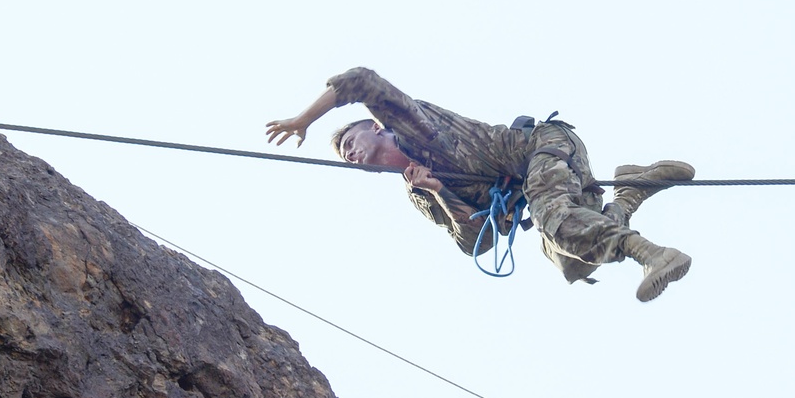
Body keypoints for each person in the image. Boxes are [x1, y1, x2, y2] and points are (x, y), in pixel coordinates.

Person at [266, 67, 695, 302]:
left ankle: (656, 256)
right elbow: (478, 242)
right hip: (534, 185)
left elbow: (361, 80)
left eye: (350, 142)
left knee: (557, 224)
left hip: (543, 146)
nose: (349, 154)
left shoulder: (416, 127)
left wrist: (303, 119)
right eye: (344, 155)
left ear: (376, 128)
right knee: (574, 263)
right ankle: (632, 189)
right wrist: (439, 192)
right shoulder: (419, 192)